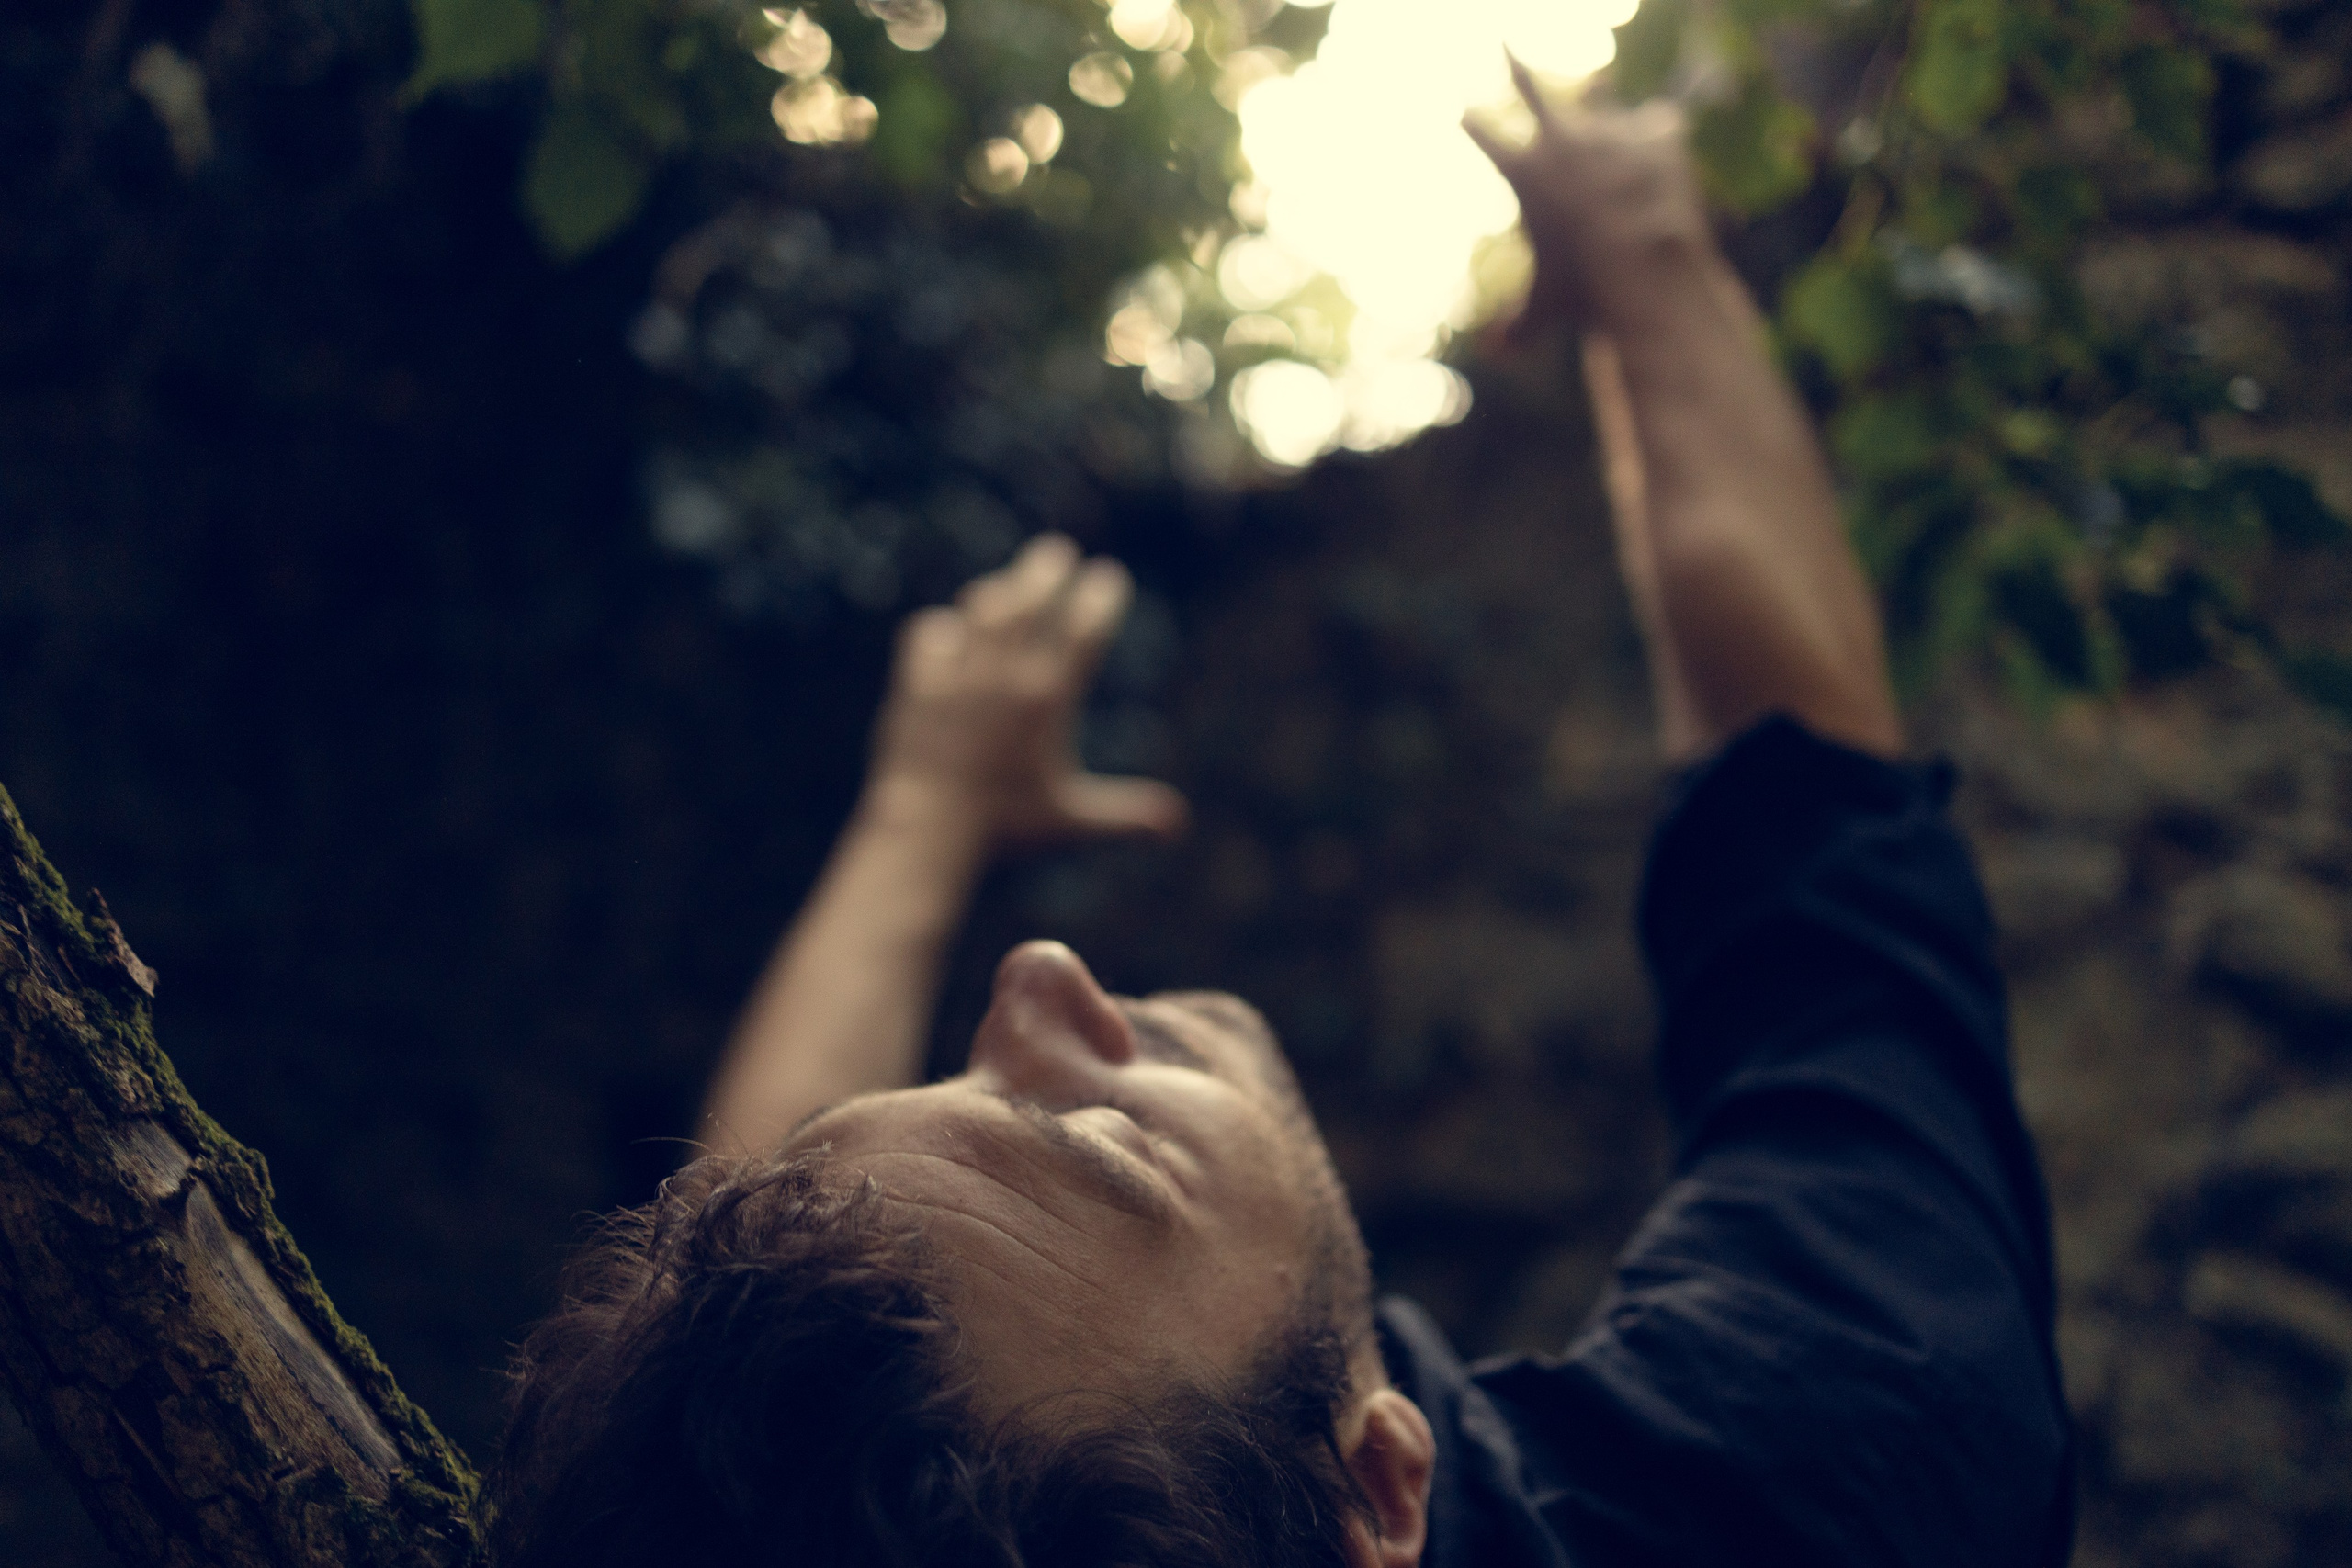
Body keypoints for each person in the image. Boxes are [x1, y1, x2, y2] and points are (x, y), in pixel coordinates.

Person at [484, 75, 2074, 1568]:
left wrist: (925, 807)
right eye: (1097, 1143)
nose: (1035, 981)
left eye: (936, 1084)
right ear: (1371, 1486)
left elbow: (803, 1270)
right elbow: (1816, 860)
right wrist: (1646, 255)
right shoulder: (1822, 1477)